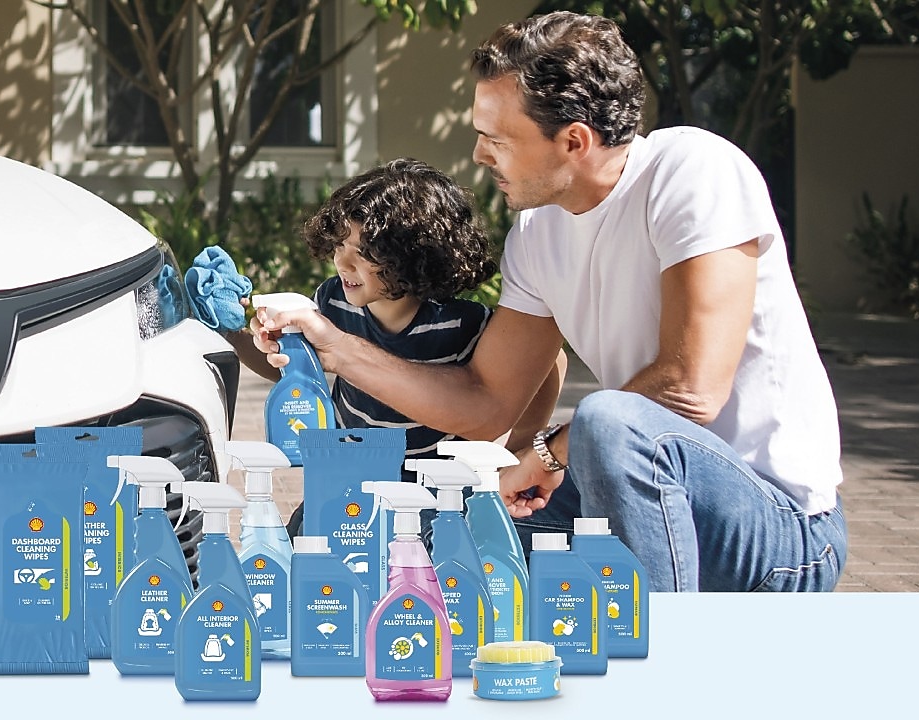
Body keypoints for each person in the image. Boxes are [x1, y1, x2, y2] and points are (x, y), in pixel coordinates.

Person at [251, 12, 847, 592]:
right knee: (428, 528)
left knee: (607, 421)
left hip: (777, 529)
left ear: (574, 140)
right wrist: (335, 347)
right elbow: (485, 403)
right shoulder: (539, 231)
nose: (481, 156)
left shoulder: (691, 170)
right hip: (633, 503)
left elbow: (689, 388)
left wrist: (549, 452)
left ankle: (664, 665)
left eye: (495, 138)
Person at [226, 157, 566, 535]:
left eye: (366, 251)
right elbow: (294, 367)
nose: (343, 261)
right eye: (339, 244)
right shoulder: (333, 302)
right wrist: (230, 331)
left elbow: (551, 363)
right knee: (305, 549)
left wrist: (517, 449)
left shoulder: (460, 323)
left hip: (432, 493)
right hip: (353, 477)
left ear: (417, 253)